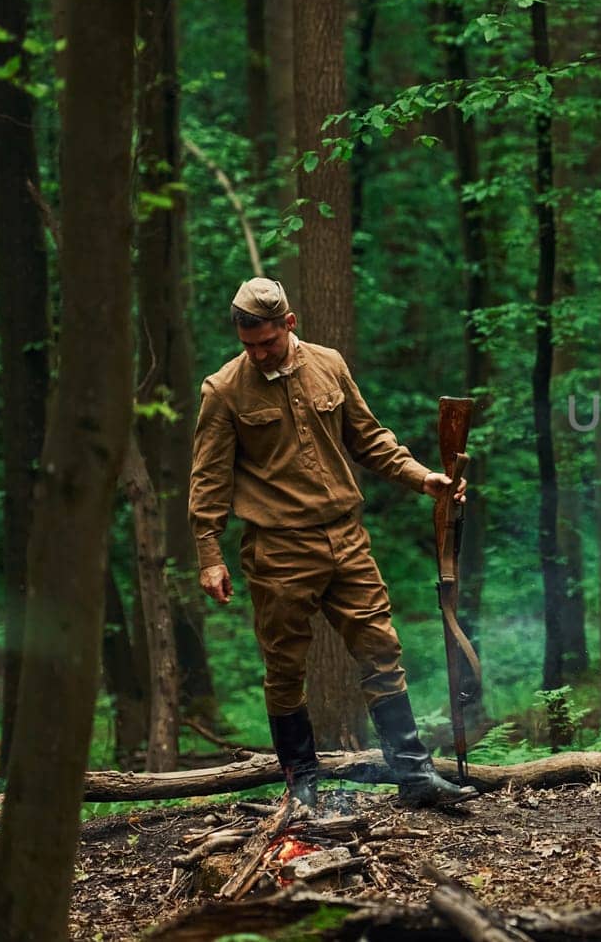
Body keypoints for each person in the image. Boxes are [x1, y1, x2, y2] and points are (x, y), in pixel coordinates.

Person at [189, 277, 471, 808]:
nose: (258, 353)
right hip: (278, 550)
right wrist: (210, 555)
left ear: (289, 324)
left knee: (382, 648)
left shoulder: (329, 364)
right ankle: (303, 785)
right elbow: (208, 480)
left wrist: (422, 477)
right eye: (248, 345)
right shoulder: (224, 389)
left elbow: (369, 438)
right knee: (285, 666)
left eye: (267, 342)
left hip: (346, 537)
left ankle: (413, 775)